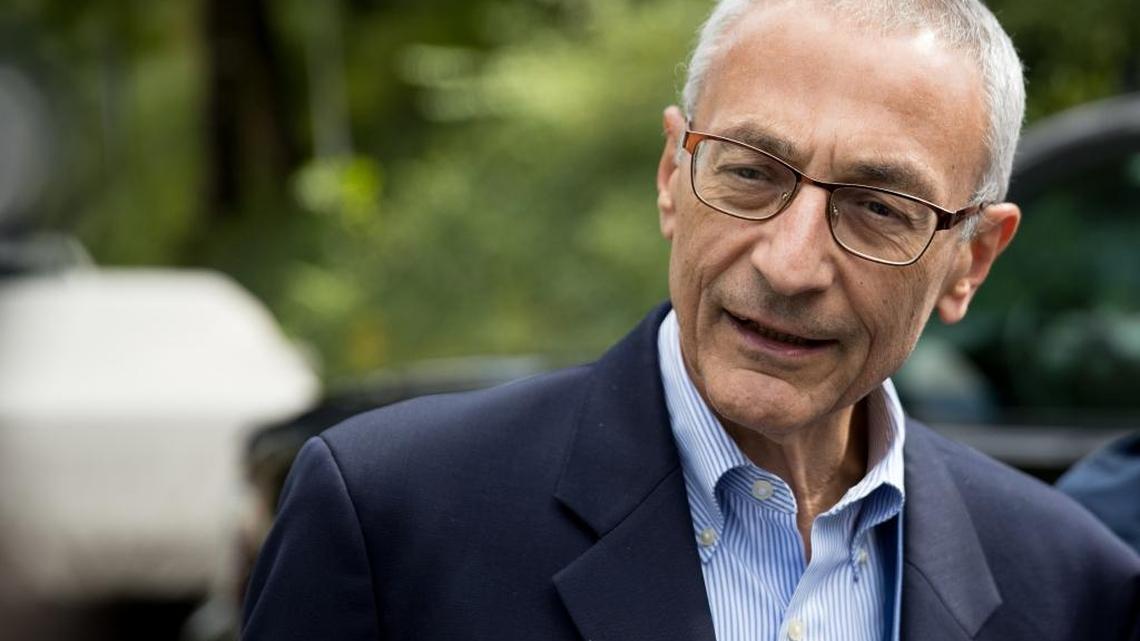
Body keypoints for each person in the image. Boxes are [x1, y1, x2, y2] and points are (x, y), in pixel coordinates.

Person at [242, 0, 1140, 639]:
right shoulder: (390, 519)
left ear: (971, 260)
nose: (789, 265)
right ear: (675, 175)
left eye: (877, 206)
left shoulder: (1072, 586)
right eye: (751, 172)